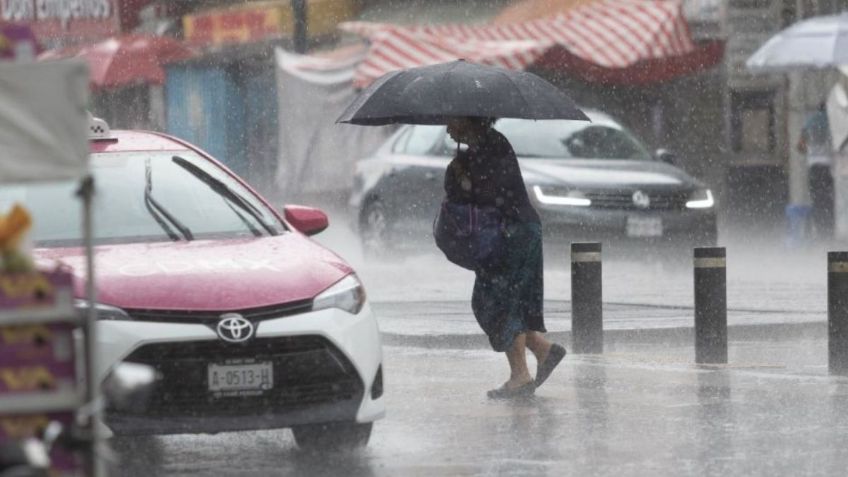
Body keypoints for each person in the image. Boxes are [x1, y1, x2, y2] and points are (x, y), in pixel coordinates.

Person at [443, 116, 566, 399]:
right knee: (507, 301)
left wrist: (464, 179)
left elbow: (490, 195)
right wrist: (459, 173)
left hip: (513, 234)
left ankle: (521, 377)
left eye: (451, 120)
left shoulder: (491, 146)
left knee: (498, 303)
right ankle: (542, 351)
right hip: (512, 233)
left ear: (467, 120)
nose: (447, 127)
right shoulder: (478, 148)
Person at [797, 102, 834, 239]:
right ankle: (829, 232)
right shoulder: (832, 122)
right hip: (828, 168)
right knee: (829, 202)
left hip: (813, 167)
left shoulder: (809, 122)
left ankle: (820, 232)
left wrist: (812, 150)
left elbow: (800, 147)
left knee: (816, 200)